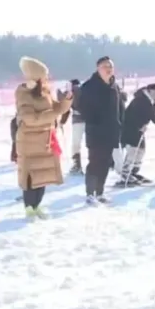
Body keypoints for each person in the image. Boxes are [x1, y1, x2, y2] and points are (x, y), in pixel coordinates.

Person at [14, 57, 72, 219]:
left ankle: (38, 205)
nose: (47, 77)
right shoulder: (23, 93)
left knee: (44, 175)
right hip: (29, 140)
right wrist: (53, 114)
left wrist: (67, 101)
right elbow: (31, 118)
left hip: (46, 139)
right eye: (44, 75)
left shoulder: (45, 90)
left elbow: (57, 108)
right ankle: (29, 208)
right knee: (31, 175)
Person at [78, 56, 125, 205]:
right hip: (96, 132)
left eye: (110, 66)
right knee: (94, 163)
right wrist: (93, 119)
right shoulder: (89, 86)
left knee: (105, 163)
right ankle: (90, 193)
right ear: (98, 68)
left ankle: (100, 192)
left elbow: (120, 108)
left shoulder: (114, 86)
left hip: (111, 132)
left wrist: (121, 123)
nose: (109, 69)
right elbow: (80, 105)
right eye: (105, 66)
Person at [117, 83, 155, 186]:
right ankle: (125, 174)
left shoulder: (151, 101)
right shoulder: (140, 100)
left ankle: (134, 172)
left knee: (140, 151)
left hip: (139, 130)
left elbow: (154, 118)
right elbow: (130, 115)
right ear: (149, 90)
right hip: (130, 129)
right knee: (133, 150)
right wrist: (138, 126)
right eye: (154, 91)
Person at [67, 79, 85, 174]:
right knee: (92, 144)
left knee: (76, 144)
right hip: (90, 119)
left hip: (77, 120)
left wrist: (62, 122)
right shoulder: (86, 91)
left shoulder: (72, 91)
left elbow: (66, 106)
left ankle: (77, 165)